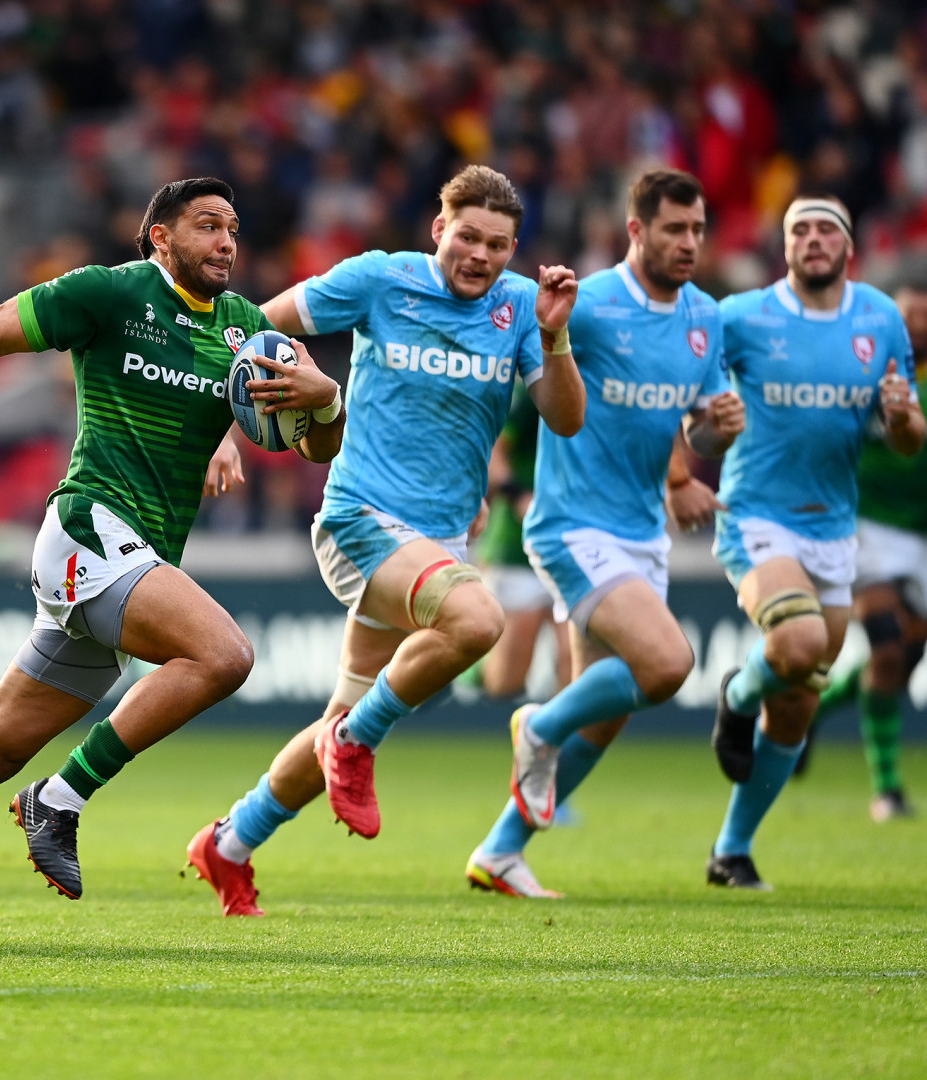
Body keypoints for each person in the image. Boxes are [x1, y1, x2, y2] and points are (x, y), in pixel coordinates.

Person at [0, 177, 345, 947]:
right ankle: (61, 797)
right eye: (208, 226)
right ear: (160, 237)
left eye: (233, 229)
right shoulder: (110, 294)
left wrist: (325, 398)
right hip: (88, 530)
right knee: (223, 655)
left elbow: (309, 446)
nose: (226, 243)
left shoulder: (247, 329)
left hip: (133, 559)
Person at [186, 164, 584, 917]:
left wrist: (555, 335)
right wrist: (224, 429)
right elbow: (246, 326)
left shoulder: (521, 309)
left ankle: (230, 842)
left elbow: (565, 419)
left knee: (340, 716)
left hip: (437, 542)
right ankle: (355, 744)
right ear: (439, 229)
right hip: (360, 520)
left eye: (498, 245)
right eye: (467, 236)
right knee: (479, 621)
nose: (480, 255)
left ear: (513, 250)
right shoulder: (381, 280)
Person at [461, 169, 743, 898]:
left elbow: (698, 430)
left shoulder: (705, 318)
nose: (689, 242)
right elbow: (514, 368)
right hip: (570, 525)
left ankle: (500, 851)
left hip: (642, 532)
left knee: (609, 712)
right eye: (675, 228)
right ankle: (538, 726)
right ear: (636, 230)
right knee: (668, 665)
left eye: (698, 229)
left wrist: (713, 433)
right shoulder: (586, 304)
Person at [707, 195, 923, 890]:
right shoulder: (741, 316)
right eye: (799, 229)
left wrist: (901, 419)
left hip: (834, 526)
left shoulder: (880, 319)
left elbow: (908, 435)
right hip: (756, 515)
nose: (813, 238)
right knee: (797, 644)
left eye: (827, 228)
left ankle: (732, 849)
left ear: (848, 246)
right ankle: (738, 696)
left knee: (799, 700)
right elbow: (696, 406)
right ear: (786, 246)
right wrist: (700, 436)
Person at [815, 283, 927, 822]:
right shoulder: (863, 372)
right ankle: (887, 789)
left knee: (904, 656)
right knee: (885, 649)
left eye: (925, 316)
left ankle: (811, 710)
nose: (917, 326)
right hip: (866, 524)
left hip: (921, 533)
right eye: (909, 316)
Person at [473, 387, 571, 701]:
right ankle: (467, 665)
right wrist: (520, 498)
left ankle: (556, 730)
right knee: (506, 679)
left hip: (576, 548)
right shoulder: (533, 390)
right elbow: (493, 453)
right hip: (518, 546)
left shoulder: (606, 382)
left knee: (575, 659)